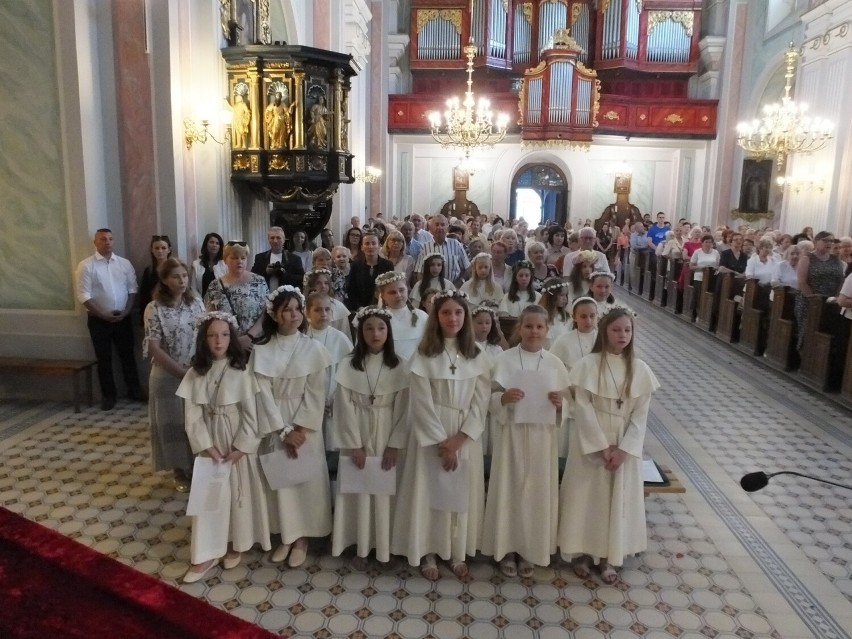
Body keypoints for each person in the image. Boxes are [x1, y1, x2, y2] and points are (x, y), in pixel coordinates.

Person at [391, 290, 491, 579]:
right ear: (436, 317)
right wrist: (442, 443)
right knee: (430, 491)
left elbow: (481, 401)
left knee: (460, 493)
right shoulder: (424, 354)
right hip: (431, 433)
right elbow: (420, 402)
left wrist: (459, 439)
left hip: (464, 433)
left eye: (458, 313)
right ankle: (429, 551)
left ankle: (458, 551)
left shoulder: (477, 354)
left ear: (466, 317)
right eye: (446, 313)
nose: (452, 318)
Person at [557, 306, 660, 585]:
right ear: (604, 332)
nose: (622, 335)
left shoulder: (640, 369)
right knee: (587, 499)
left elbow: (641, 415)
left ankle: (608, 557)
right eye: (616, 330)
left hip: (624, 442)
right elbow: (583, 407)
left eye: (627, 330)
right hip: (593, 440)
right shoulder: (588, 365)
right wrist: (602, 448)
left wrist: (624, 449)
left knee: (616, 499)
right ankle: (581, 553)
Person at [177, 311, 272, 583]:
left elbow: (251, 415)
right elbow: (192, 417)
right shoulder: (196, 374)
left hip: (235, 440)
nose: (219, 341)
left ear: (232, 338)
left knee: (237, 493)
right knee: (210, 496)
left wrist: (242, 446)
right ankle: (207, 550)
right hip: (210, 440)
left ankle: (234, 542)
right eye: (212, 335)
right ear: (203, 340)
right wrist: (207, 447)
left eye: (225, 335)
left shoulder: (241, 370)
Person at [482, 305, 569, 577]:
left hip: (543, 438)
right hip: (511, 435)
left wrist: (560, 405)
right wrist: (502, 399)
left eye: (539, 327)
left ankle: (531, 548)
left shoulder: (554, 363)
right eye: (528, 326)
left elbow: (567, 404)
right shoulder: (505, 360)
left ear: (547, 330)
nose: (534, 331)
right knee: (510, 489)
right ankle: (507, 548)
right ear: (519, 328)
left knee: (536, 493)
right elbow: (488, 399)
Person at [252, 286, 333, 568]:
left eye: (298, 309)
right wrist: (282, 430)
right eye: (287, 309)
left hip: (304, 425)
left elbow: (316, 392)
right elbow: (260, 392)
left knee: (304, 481)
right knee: (281, 481)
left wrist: (299, 428)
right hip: (276, 422)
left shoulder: (313, 348)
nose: (294, 314)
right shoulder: (262, 350)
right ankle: (286, 535)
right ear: (274, 314)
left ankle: (302, 538)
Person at [331, 306, 411, 569]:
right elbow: (343, 405)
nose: (375, 334)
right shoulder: (348, 364)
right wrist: (354, 444)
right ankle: (361, 545)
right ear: (359, 332)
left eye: (381, 328)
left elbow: (406, 407)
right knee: (360, 488)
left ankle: (387, 546)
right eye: (368, 328)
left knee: (387, 489)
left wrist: (394, 444)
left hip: (388, 428)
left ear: (389, 332)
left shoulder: (400, 365)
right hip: (358, 430)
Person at [143, 258, 204, 492]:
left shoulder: (196, 302)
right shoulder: (155, 307)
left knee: (194, 421)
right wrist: (180, 372)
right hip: (168, 375)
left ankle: (198, 465)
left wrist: (200, 365)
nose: (182, 280)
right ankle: (179, 470)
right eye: (176, 276)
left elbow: (204, 334)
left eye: (185, 276)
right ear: (165, 280)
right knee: (173, 424)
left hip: (195, 370)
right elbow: (154, 348)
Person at [75, 228, 144, 410]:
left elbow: (132, 290)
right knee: (104, 359)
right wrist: (101, 314)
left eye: (110, 239)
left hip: (122, 318)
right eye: (103, 239)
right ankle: (109, 396)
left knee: (127, 356)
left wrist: (127, 311)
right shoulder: (86, 265)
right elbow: (83, 295)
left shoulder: (124, 264)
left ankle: (134, 390)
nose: (107, 242)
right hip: (99, 320)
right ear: (95, 242)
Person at [551, 297, 599, 458]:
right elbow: (552, 369)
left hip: (595, 400)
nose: (588, 320)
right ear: (574, 317)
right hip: (569, 398)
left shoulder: (603, 340)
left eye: (592, 316)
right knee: (566, 448)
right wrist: (567, 387)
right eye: (583, 316)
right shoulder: (563, 341)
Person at [305, 292, 353, 450]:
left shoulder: (340, 339)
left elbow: (348, 374)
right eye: (318, 310)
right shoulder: (302, 337)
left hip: (333, 400)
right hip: (308, 400)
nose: (324, 314)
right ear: (307, 312)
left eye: (327, 309)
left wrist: (336, 399)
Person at [204, 241, 268, 352]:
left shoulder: (259, 281)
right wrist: (235, 341)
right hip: (228, 346)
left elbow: (267, 312)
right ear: (225, 260)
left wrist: (249, 336)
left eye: (243, 258)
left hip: (257, 343)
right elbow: (210, 318)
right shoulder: (215, 286)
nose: (239, 262)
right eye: (234, 258)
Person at [375, 271, 428, 360]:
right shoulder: (378, 319)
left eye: (401, 290)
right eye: (392, 292)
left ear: (407, 289)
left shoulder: (422, 317)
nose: (398, 295)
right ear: (383, 295)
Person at [414, 214, 470, 286]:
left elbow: (467, 267)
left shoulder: (456, 244)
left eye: (443, 225)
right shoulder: (425, 247)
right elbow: (419, 271)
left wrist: (460, 282)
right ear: (431, 228)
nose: (440, 227)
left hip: (454, 287)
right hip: (432, 289)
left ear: (447, 228)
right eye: (437, 225)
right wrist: (425, 288)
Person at [346, 231, 394, 311]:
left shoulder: (388, 265)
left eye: (374, 243)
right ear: (362, 247)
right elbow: (351, 290)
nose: (370, 246)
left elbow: (390, 288)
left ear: (379, 246)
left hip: (382, 309)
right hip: (360, 310)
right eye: (367, 243)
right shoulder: (356, 265)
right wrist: (359, 308)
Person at [304, 268, 350, 335]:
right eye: (318, 283)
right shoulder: (306, 306)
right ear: (312, 285)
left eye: (326, 283)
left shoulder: (339, 307)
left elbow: (345, 331)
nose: (323, 286)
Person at [139, 235, 173, 320]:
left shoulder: (175, 269)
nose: (160, 251)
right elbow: (144, 295)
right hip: (154, 313)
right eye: (157, 248)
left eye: (163, 248)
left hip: (172, 311)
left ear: (169, 250)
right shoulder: (149, 271)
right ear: (152, 250)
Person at [191, 232, 227, 298]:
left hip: (221, 301)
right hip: (202, 302)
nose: (214, 245)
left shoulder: (225, 264)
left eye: (217, 243)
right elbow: (193, 288)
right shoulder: (196, 264)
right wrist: (200, 303)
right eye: (211, 242)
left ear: (220, 247)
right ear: (206, 244)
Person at [538, 278, 571, 346]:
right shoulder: (540, 316)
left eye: (566, 295)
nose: (565, 298)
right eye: (561, 295)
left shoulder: (566, 317)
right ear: (551, 296)